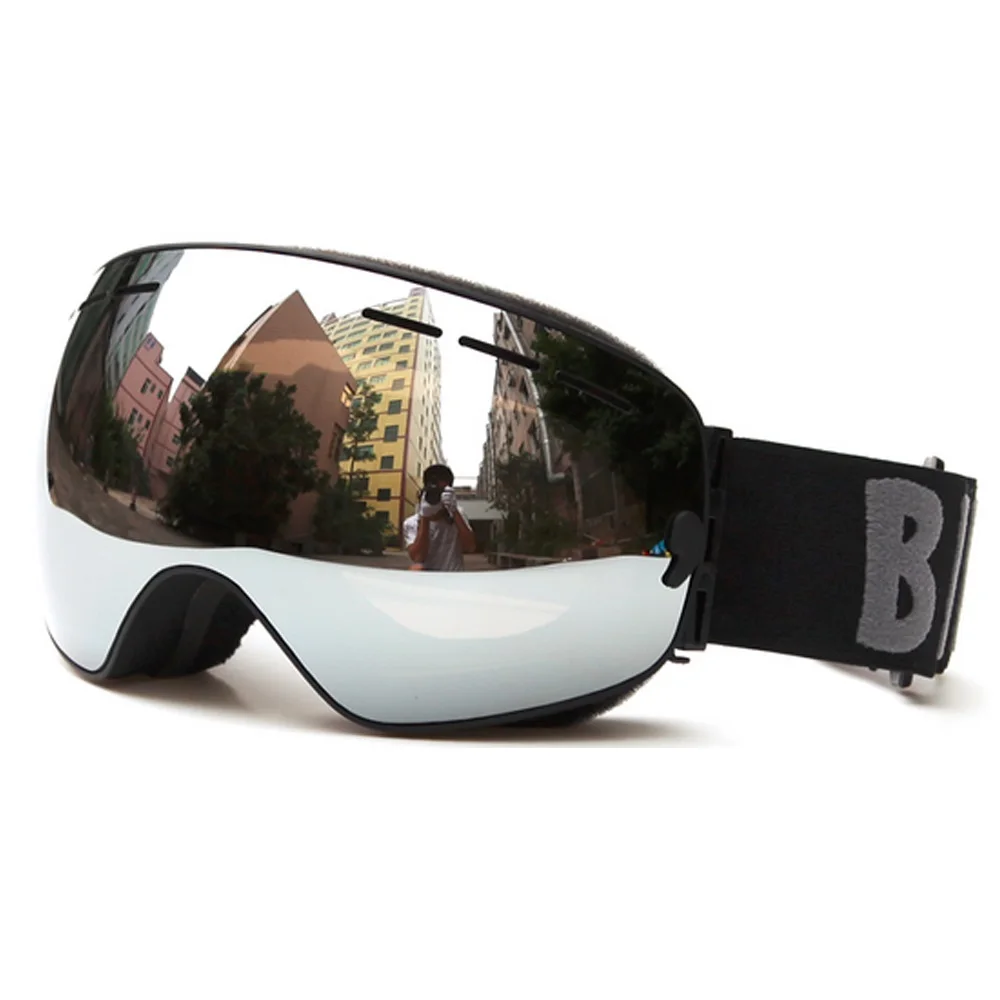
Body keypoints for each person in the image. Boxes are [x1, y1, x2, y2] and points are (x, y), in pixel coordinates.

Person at [402, 464, 477, 571]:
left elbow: (470, 547)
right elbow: (418, 557)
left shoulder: (457, 514)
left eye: (441, 492)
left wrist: (454, 511)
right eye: (433, 492)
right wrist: (425, 517)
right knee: (414, 569)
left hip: (453, 576)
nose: (437, 496)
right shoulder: (412, 522)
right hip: (428, 578)